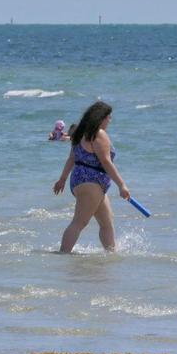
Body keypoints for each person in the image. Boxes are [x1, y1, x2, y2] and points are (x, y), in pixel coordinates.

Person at [52, 101, 131, 253]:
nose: (110, 121)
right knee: (79, 222)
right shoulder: (99, 134)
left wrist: (62, 180)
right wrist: (122, 185)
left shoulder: (80, 132)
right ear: (102, 118)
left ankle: (110, 254)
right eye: (109, 117)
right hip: (91, 182)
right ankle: (63, 254)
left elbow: (71, 158)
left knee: (107, 222)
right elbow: (106, 163)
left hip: (80, 180)